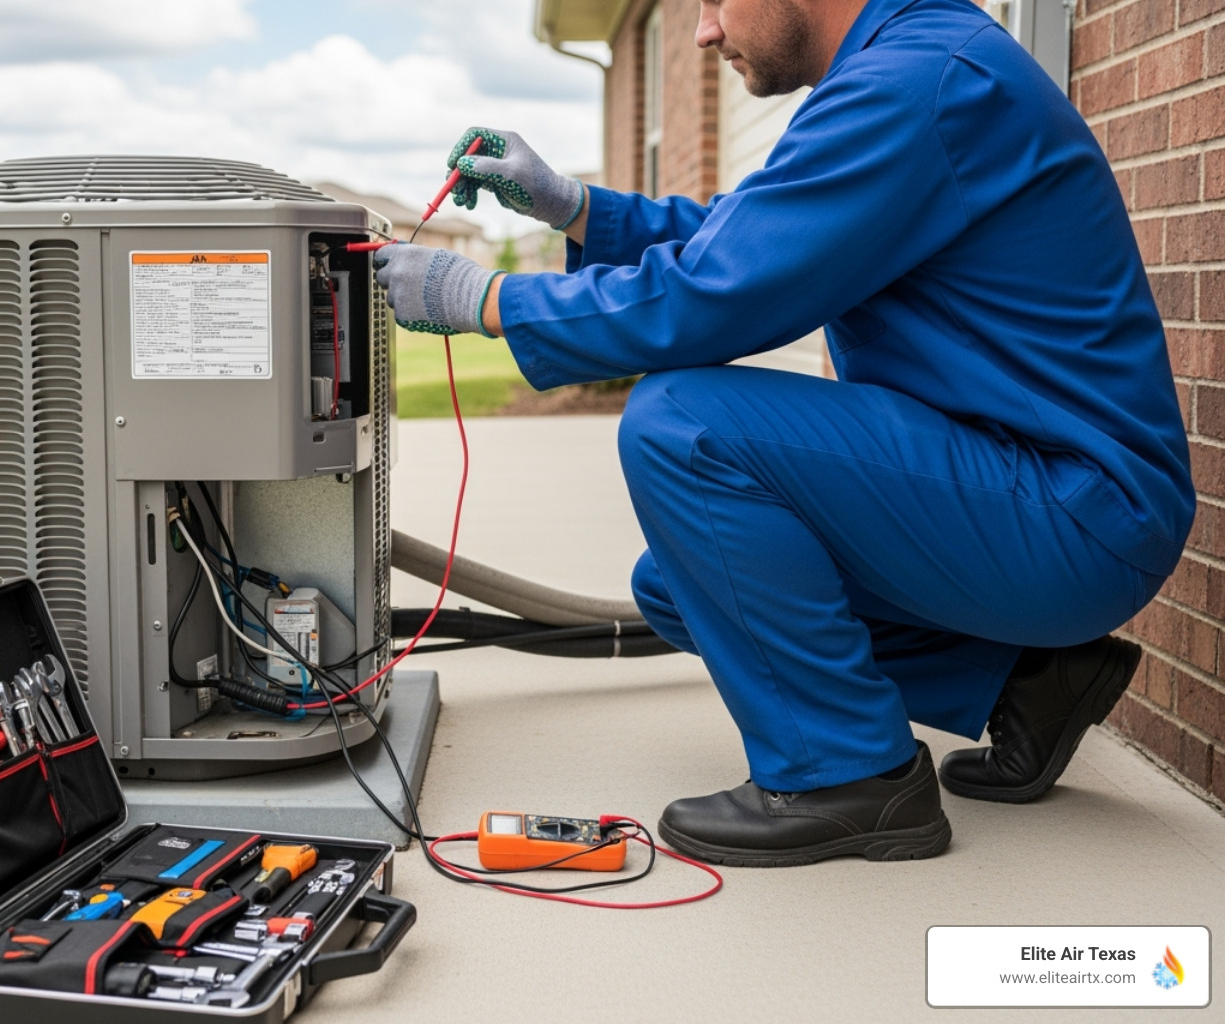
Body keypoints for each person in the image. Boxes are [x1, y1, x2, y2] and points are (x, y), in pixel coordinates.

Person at [373, 0, 1194, 867]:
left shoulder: (918, 83)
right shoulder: (907, 69)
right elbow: (748, 239)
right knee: (681, 583)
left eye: (714, 0)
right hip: (1033, 491)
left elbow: (718, 291)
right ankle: (1024, 683)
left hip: (1075, 515)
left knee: (684, 423)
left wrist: (491, 301)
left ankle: (848, 776)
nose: (703, 32)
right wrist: (577, 209)